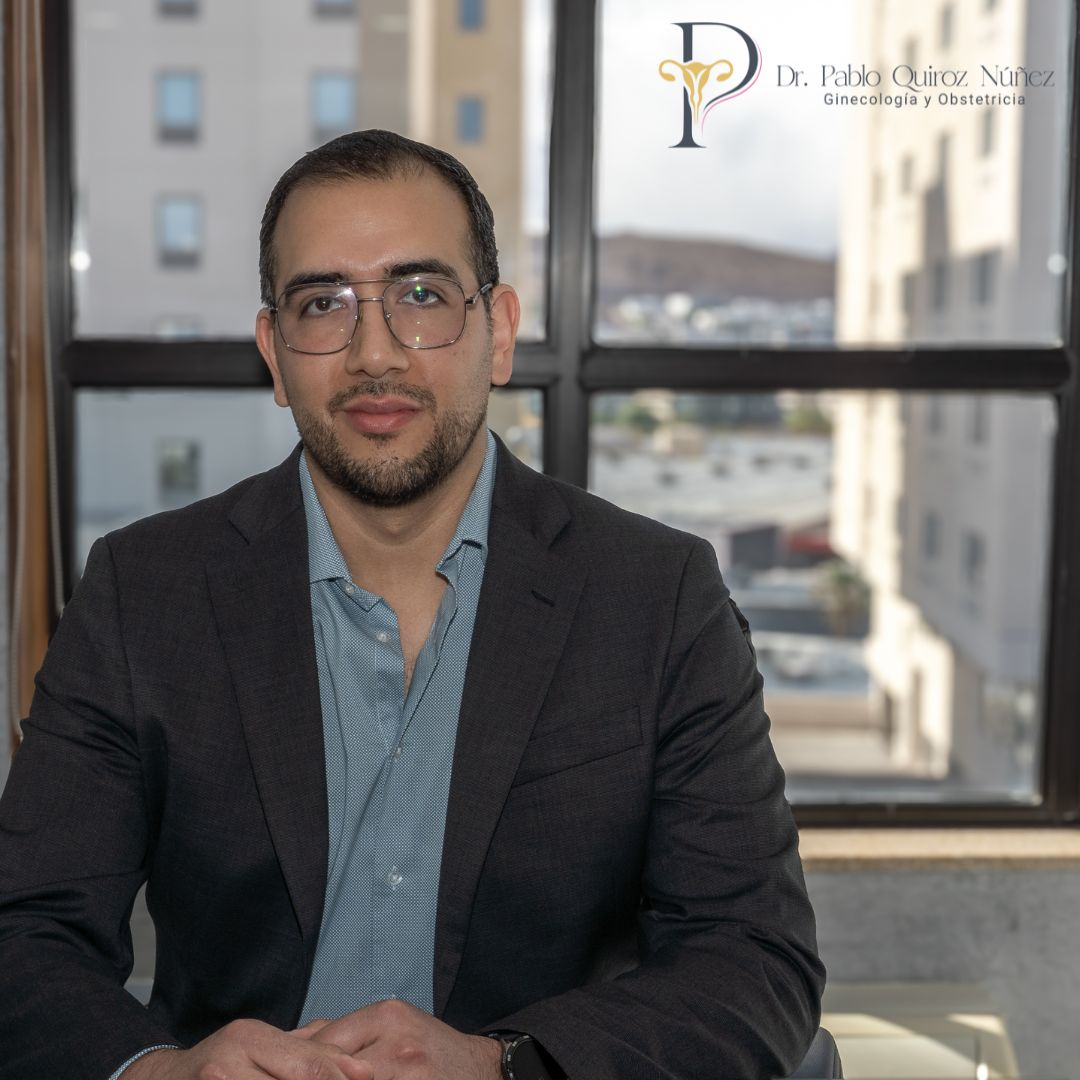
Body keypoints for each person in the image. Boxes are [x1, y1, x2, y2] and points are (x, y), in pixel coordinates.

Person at [0, 130, 824, 1080]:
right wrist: (162, 1073)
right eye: (323, 304)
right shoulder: (144, 593)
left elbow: (754, 959)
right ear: (275, 354)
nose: (374, 354)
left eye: (421, 295)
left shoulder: (658, 597)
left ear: (499, 332)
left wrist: (500, 1066)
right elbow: (24, 933)